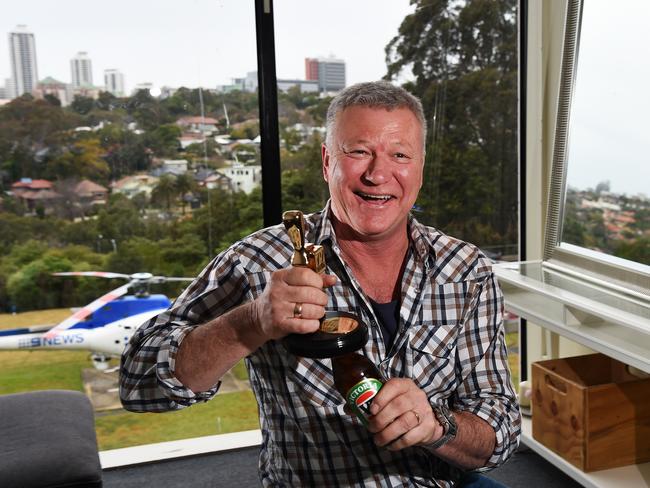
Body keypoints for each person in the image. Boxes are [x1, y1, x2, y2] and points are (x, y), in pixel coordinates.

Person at [120, 81, 520, 487]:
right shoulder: (256, 262)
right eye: (358, 151)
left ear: (419, 168)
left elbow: (499, 429)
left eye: (400, 155)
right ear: (327, 162)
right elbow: (139, 384)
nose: (378, 173)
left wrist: (437, 426)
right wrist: (251, 322)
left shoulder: (466, 269)